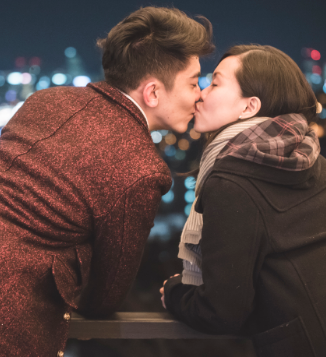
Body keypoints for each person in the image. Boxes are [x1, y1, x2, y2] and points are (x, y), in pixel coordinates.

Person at [0, 7, 214, 356]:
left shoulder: (46, 100)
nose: (200, 94)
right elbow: (105, 296)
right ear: (153, 93)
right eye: (193, 82)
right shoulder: (141, 169)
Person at [161, 45, 326, 357]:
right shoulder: (310, 158)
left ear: (249, 107)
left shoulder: (234, 179)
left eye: (215, 83)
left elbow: (221, 311)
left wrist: (175, 292)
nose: (201, 95)